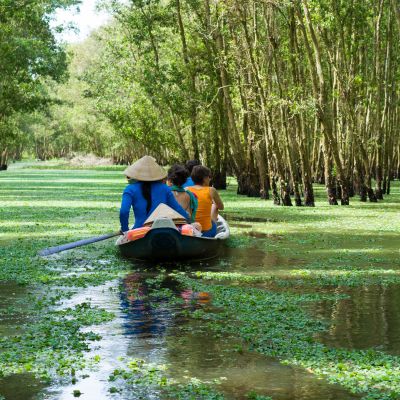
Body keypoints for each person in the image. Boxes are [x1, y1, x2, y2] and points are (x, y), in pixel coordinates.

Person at [119, 156, 189, 233]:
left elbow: (124, 211)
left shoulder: (130, 189)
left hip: (139, 231)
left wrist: (125, 229)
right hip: (162, 231)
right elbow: (177, 209)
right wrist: (190, 222)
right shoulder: (165, 188)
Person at [187, 165, 224, 237]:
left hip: (190, 230)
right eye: (209, 177)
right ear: (204, 178)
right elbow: (221, 207)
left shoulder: (186, 189)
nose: (210, 179)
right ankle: (211, 225)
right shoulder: (211, 190)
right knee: (215, 205)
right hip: (207, 231)